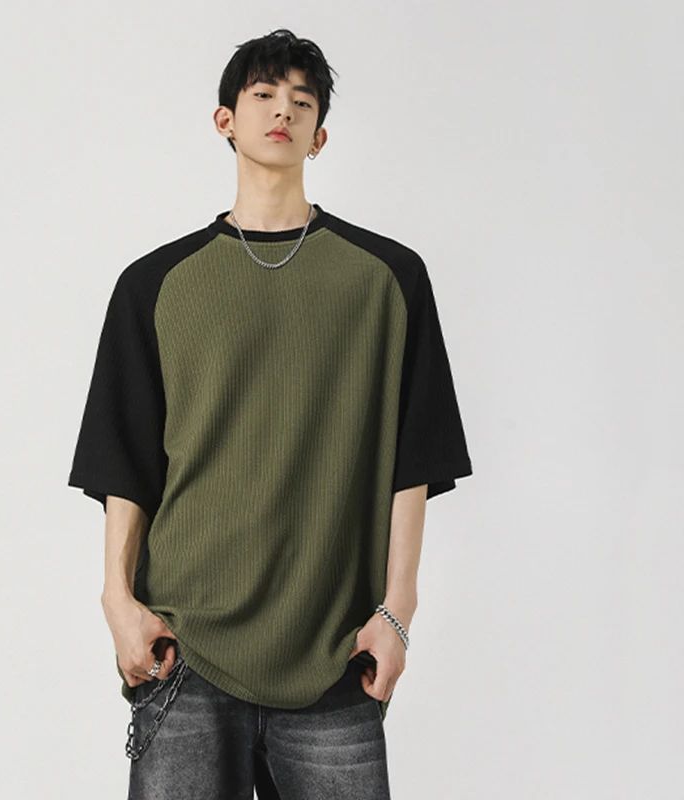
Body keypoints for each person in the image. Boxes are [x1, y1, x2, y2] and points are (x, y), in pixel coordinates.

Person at [68, 27, 472, 800]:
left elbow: (413, 461)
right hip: (184, 649)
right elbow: (127, 464)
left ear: (320, 137)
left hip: (335, 650)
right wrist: (118, 602)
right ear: (225, 119)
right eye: (263, 94)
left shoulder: (388, 279)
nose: (282, 110)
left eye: (301, 101)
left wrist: (398, 612)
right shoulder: (154, 285)